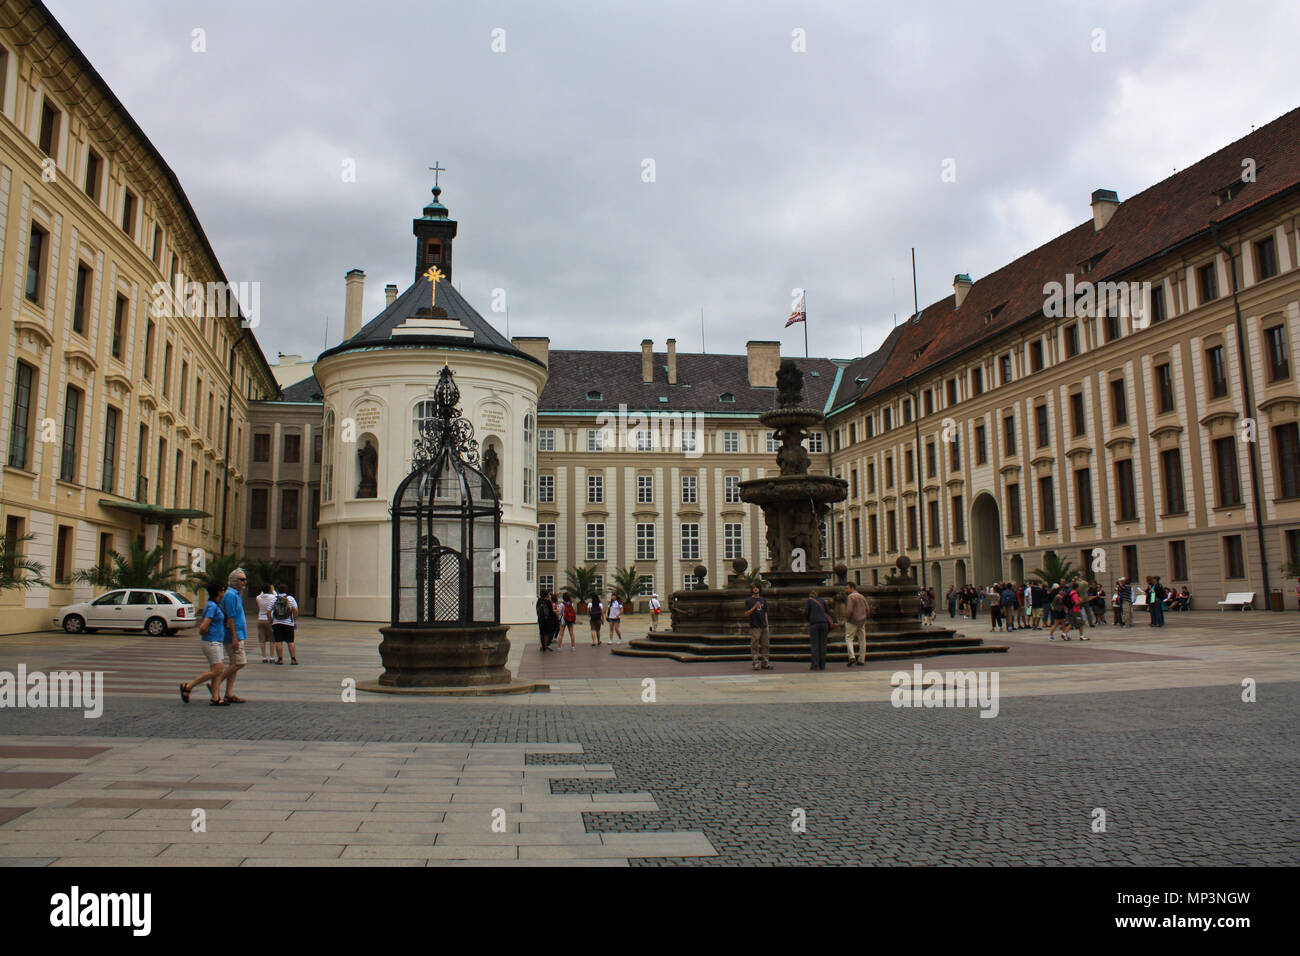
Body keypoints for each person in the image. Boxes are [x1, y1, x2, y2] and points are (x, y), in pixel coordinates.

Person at [179, 580, 228, 706]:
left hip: (216, 641)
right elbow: (204, 625)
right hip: (212, 642)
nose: (224, 593)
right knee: (217, 670)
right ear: (218, 592)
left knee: (217, 670)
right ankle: (188, 686)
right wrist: (205, 631)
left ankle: (215, 698)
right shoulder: (212, 606)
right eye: (223, 590)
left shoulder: (214, 605)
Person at [219, 568, 249, 702]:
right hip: (233, 635)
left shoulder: (235, 594)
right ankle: (216, 683)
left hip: (238, 633)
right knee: (240, 662)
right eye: (242, 580)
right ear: (234, 581)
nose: (244, 582)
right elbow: (230, 618)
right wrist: (235, 638)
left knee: (234, 664)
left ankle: (229, 693)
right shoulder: (231, 595)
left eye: (245, 579)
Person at [744, 584, 772, 671]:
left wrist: (767, 624)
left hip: (763, 625)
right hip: (755, 626)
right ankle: (755, 663)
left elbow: (765, 613)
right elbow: (746, 614)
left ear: (759, 589)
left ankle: (765, 662)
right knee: (755, 645)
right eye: (754, 588)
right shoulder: (749, 600)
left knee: (765, 645)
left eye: (757, 588)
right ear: (752, 590)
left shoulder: (763, 600)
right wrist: (754, 607)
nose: (755, 589)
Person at [804, 589, 833, 671]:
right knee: (823, 645)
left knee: (815, 645)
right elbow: (829, 611)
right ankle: (822, 665)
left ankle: (815, 665)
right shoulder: (822, 600)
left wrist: (810, 618)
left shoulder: (809, 601)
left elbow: (806, 612)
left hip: (814, 624)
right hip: (824, 624)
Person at [270, 584, 299, 664]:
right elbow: (295, 610)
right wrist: (294, 619)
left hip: (277, 623)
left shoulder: (274, 599)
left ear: (278, 590)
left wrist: (271, 620)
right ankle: (293, 659)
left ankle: (280, 659)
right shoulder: (291, 599)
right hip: (289, 623)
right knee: (290, 641)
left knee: (278, 641)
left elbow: (268, 611)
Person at [844, 581, 869, 667]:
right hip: (862, 621)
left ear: (851, 588)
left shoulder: (851, 597)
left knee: (849, 638)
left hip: (852, 621)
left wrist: (847, 618)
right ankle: (862, 659)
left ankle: (852, 656)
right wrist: (864, 617)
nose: (846, 590)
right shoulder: (861, 596)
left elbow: (849, 610)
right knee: (862, 640)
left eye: (847, 588)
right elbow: (867, 608)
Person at [255, 583, 277, 663]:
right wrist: (273, 590)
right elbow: (276, 595)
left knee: (262, 639)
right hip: (269, 619)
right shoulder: (273, 597)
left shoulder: (258, 598)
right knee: (272, 639)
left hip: (260, 618)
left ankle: (264, 657)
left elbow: (260, 597)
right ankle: (272, 657)